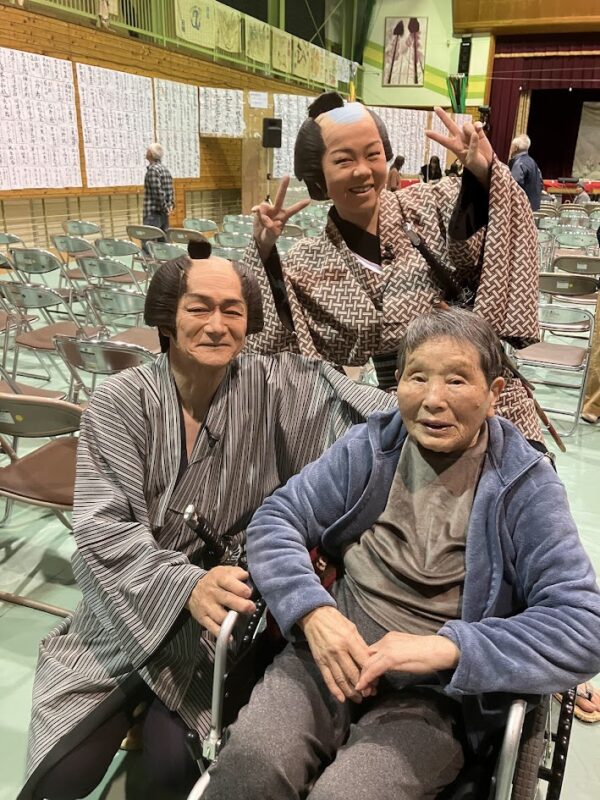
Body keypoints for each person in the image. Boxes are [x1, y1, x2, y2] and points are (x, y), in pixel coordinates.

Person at [19, 245, 395, 800]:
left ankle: (155, 716)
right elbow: (103, 529)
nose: (217, 325)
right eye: (199, 308)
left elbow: (360, 406)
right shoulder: (120, 402)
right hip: (124, 606)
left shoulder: (273, 385)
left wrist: (443, 404)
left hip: (221, 622)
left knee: (170, 771)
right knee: (58, 775)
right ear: (167, 317)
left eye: (232, 310)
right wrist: (185, 585)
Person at [204, 309, 600, 800]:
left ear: (494, 393)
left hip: (436, 695)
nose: (433, 400)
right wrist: (314, 613)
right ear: (398, 384)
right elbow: (276, 518)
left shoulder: (524, 485)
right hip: (332, 652)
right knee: (248, 770)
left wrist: (448, 649)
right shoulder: (371, 447)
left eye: (456, 380)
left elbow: (583, 627)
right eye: (418, 377)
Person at [242, 91, 542, 442]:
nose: (362, 170)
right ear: (317, 174)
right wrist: (264, 250)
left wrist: (482, 172)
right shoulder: (306, 260)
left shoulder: (430, 202)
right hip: (403, 412)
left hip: (483, 401)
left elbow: (476, 246)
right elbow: (274, 341)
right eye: (343, 160)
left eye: (373, 155)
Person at [143, 142, 174, 234]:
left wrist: (165, 208)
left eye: (148, 150)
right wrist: (169, 207)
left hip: (153, 213)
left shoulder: (153, 170)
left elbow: (158, 193)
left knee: (149, 240)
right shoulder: (165, 169)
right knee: (163, 241)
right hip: (164, 213)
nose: (146, 152)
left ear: (151, 154)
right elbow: (171, 190)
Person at [508, 134, 542, 211]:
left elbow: (514, 186)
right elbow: (540, 183)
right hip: (533, 207)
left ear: (515, 148)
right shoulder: (533, 162)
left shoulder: (518, 163)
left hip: (521, 208)